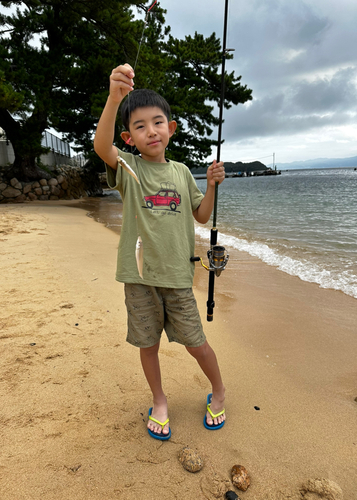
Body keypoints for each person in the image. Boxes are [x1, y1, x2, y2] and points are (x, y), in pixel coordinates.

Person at [94, 63, 226, 440]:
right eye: (139, 126)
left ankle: (218, 390)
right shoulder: (128, 167)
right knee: (147, 345)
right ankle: (160, 400)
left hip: (178, 277)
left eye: (157, 122)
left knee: (197, 344)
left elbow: (201, 216)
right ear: (129, 137)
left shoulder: (183, 172)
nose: (150, 130)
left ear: (171, 128)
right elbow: (101, 147)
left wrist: (212, 185)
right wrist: (114, 97)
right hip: (139, 278)